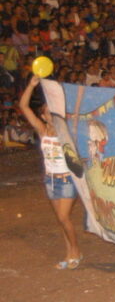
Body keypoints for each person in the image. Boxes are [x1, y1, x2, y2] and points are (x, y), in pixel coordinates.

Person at [18, 75, 83, 269]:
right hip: (50, 180)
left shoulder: (68, 131)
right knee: (61, 221)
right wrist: (31, 85)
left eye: (53, 113)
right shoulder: (42, 129)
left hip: (67, 180)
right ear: (44, 117)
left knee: (64, 218)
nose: (51, 116)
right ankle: (69, 254)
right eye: (47, 113)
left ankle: (76, 251)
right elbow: (23, 106)